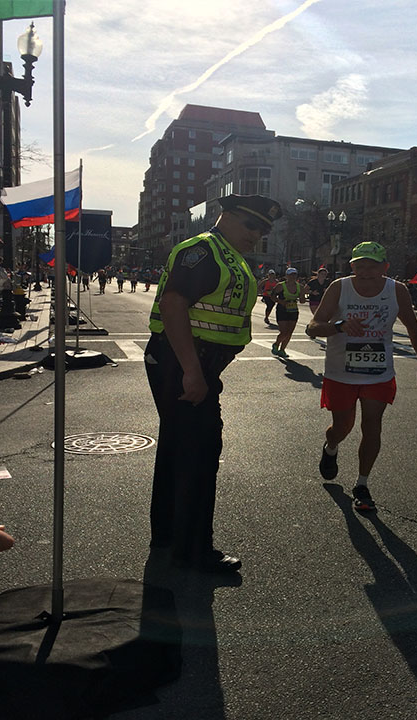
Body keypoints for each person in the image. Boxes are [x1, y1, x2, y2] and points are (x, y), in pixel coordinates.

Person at [145, 193, 284, 573]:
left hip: (194, 363)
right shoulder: (204, 250)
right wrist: (192, 370)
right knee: (199, 455)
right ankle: (194, 550)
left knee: (177, 450)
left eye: (264, 229)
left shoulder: (228, 255)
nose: (257, 234)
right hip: (185, 361)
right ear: (226, 215)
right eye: (251, 224)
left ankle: (169, 537)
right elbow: (174, 305)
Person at [306, 242, 417, 513]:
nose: (365, 272)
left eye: (372, 266)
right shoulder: (340, 287)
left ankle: (362, 485)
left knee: (372, 425)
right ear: (351, 267)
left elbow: (412, 327)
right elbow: (312, 328)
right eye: (359, 266)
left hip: (378, 371)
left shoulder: (396, 290)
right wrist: (338, 326)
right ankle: (331, 447)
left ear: (385, 267)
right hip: (340, 371)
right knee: (343, 427)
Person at [271, 267, 306, 357]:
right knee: (284, 331)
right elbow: (272, 296)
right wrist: (281, 302)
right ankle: (276, 344)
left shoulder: (300, 287)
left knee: (290, 332)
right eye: (291, 275)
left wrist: (302, 295)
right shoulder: (280, 286)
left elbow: (302, 301)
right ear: (286, 276)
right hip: (282, 309)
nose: (293, 277)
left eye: (294, 275)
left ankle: (282, 350)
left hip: (293, 310)